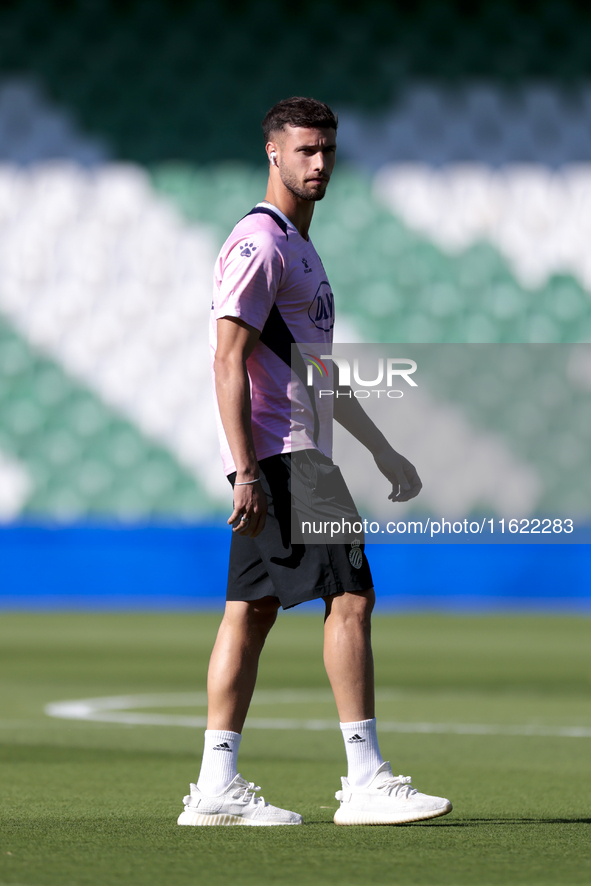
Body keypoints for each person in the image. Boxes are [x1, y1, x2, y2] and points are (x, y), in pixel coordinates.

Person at [177, 97, 452, 827]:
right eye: (304, 150)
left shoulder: (301, 247)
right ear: (274, 153)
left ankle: (214, 789)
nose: (319, 163)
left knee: (250, 612)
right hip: (287, 457)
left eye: (326, 149)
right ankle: (364, 778)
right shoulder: (260, 243)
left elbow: (314, 370)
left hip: (293, 453)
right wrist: (244, 469)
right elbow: (226, 358)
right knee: (350, 600)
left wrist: (380, 446)